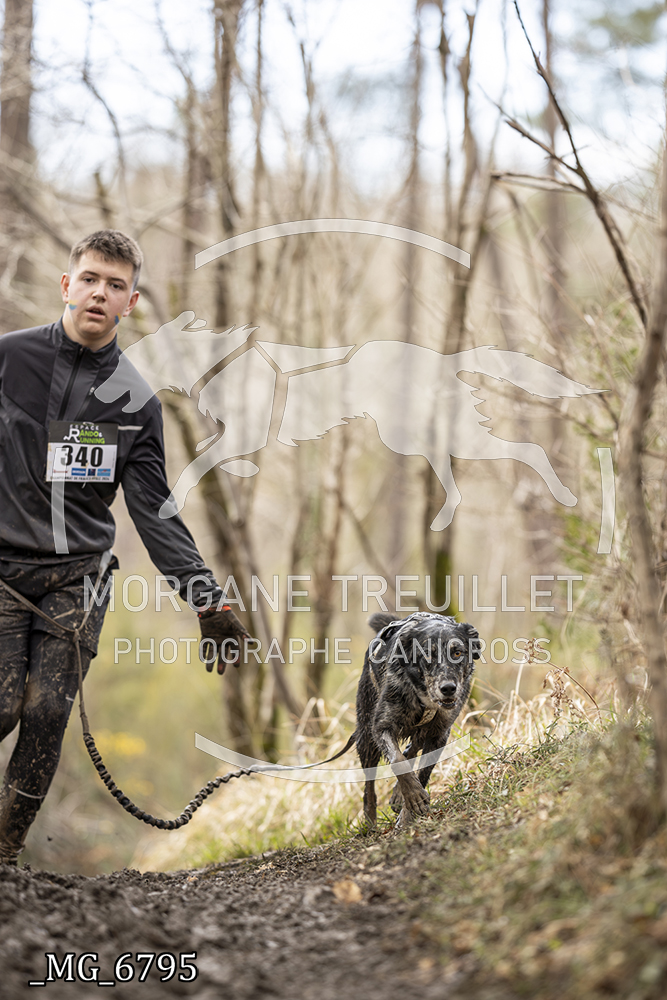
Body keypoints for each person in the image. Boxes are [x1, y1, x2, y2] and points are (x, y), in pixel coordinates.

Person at [0, 229, 248, 865]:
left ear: (131, 302)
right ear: (67, 284)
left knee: (47, 713)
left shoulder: (137, 401)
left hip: (76, 583)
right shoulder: (9, 359)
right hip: (2, 571)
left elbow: (155, 513)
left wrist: (207, 600)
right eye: (89, 279)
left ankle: (4, 854)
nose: (98, 294)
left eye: (115, 286)